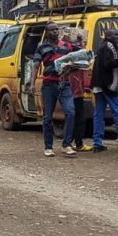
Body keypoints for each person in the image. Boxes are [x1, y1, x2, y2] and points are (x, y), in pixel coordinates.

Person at [28, 22, 77, 158]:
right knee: (47, 117)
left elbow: (75, 62)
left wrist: (70, 69)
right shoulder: (42, 48)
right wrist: (32, 83)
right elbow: (35, 65)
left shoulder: (67, 46)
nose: (55, 32)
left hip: (64, 84)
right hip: (49, 84)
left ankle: (66, 144)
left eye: (57, 29)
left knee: (71, 112)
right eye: (52, 30)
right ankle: (48, 147)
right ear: (47, 32)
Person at [63, 33, 93, 152]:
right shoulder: (70, 53)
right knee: (74, 117)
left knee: (79, 118)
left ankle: (77, 143)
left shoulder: (73, 52)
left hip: (77, 90)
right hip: (71, 90)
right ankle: (70, 143)